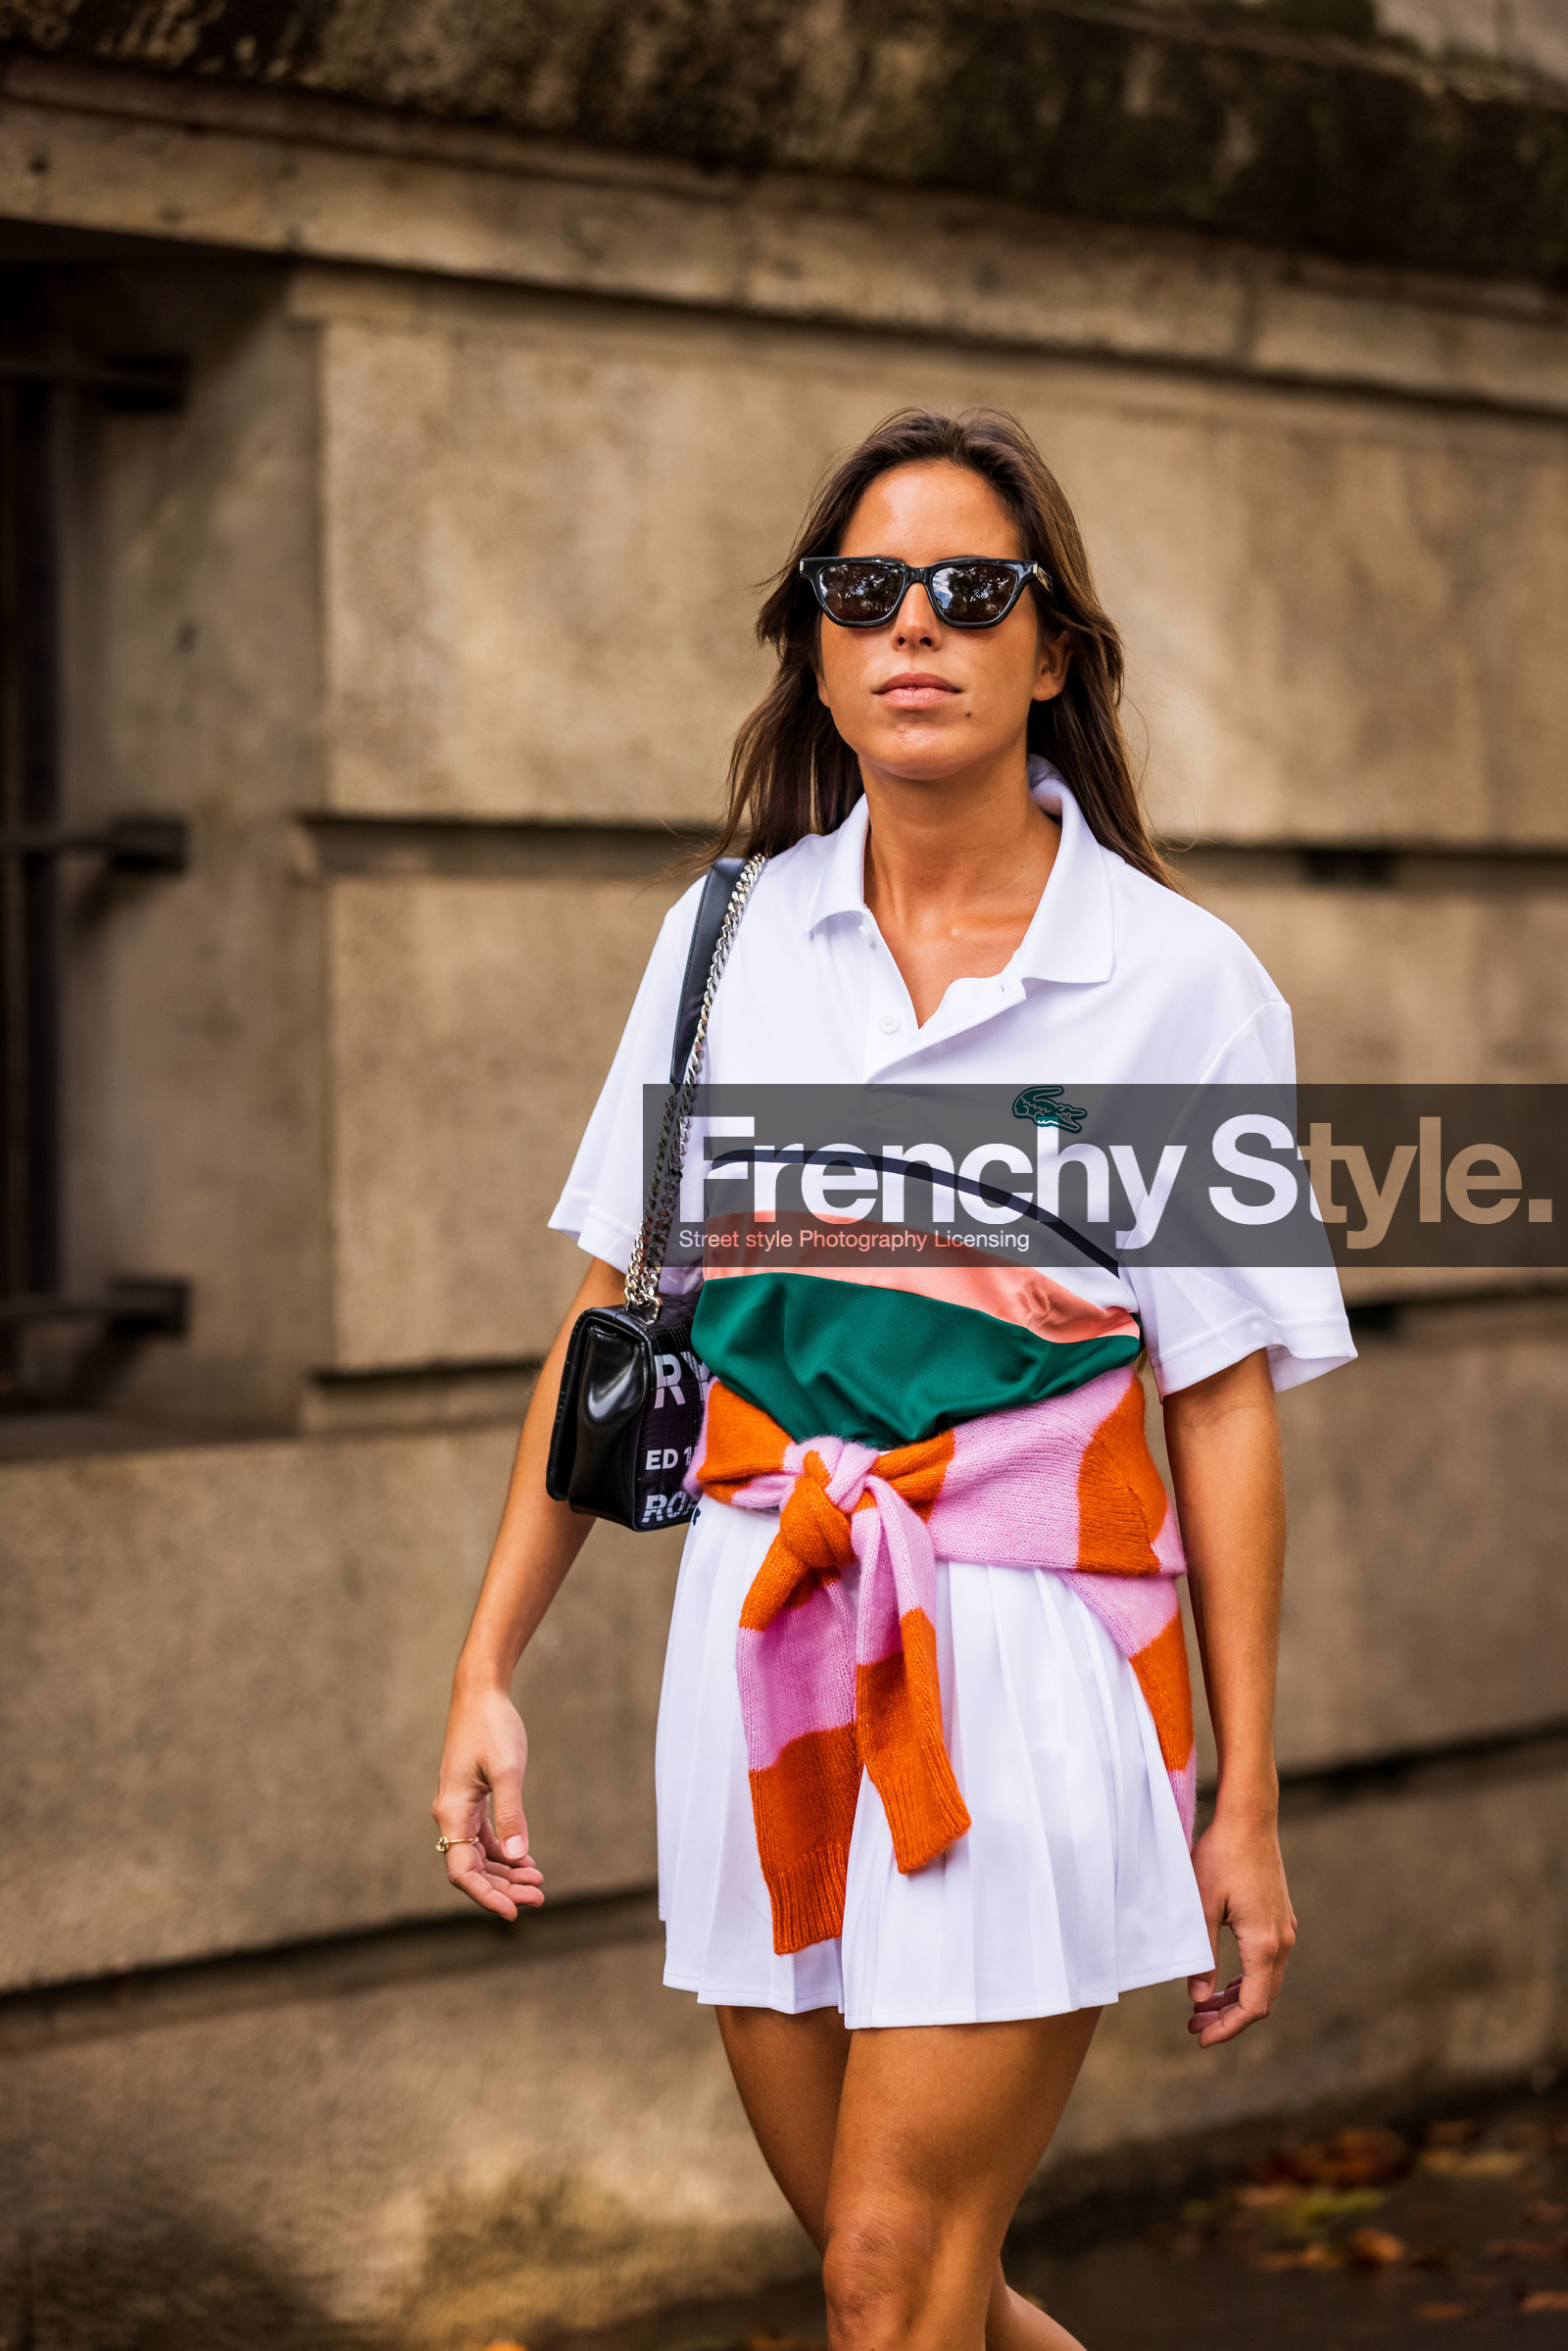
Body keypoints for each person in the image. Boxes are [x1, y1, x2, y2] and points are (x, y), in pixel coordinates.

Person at [433, 407, 1353, 2350]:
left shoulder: (1178, 984)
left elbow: (1217, 1404)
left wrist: (1241, 1793)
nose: (912, 626)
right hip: (754, 1641)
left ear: (1051, 648)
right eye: (863, 591)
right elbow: (617, 1317)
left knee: (881, 2272)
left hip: (1029, 1652)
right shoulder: (722, 944)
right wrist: (485, 1668)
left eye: (969, 590)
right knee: (912, 2281)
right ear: (815, 646)